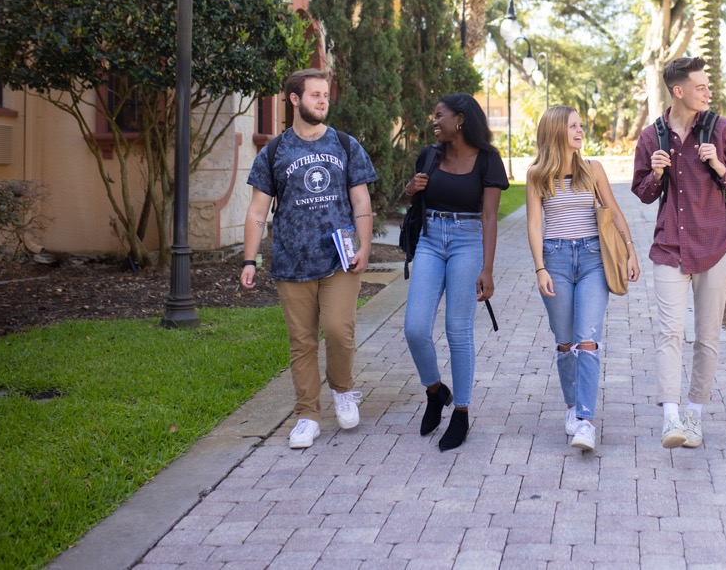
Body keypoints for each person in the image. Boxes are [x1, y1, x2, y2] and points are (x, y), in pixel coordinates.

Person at [241, 69, 378, 450]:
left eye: (325, 95)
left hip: (339, 258)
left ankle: (343, 389)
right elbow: (257, 210)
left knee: (338, 330)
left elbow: (361, 201)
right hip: (291, 260)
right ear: (294, 99)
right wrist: (249, 259)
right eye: (315, 95)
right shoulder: (273, 152)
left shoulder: (346, 145)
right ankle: (307, 415)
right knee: (301, 342)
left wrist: (364, 245)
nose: (322, 101)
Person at [632, 57, 726, 449]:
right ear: (678, 90)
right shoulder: (652, 136)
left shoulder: (723, 130)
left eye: (708, 86)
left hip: (716, 245)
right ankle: (671, 418)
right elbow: (644, 193)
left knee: (706, 337)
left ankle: (695, 416)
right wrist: (654, 173)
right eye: (700, 87)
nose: (708, 92)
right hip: (670, 244)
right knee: (669, 332)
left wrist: (719, 165)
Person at [526, 106, 641, 453]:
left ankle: (586, 421)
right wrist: (539, 268)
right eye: (572, 126)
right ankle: (573, 407)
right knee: (565, 343)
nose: (580, 131)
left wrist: (630, 249)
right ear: (556, 132)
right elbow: (534, 225)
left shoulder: (592, 169)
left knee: (587, 340)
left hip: (593, 259)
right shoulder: (535, 175)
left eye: (580, 125)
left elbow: (614, 211)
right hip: (556, 260)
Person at [401, 94, 508, 451]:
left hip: (467, 241)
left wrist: (488, 268)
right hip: (431, 240)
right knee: (415, 328)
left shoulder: (489, 160)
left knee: (457, 329)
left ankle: (460, 412)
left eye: (439, 116)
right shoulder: (430, 155)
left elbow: (490, 217)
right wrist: (410, 190)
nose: (434, 121)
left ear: (460, 119)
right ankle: (435, 391)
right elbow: (413, 200)